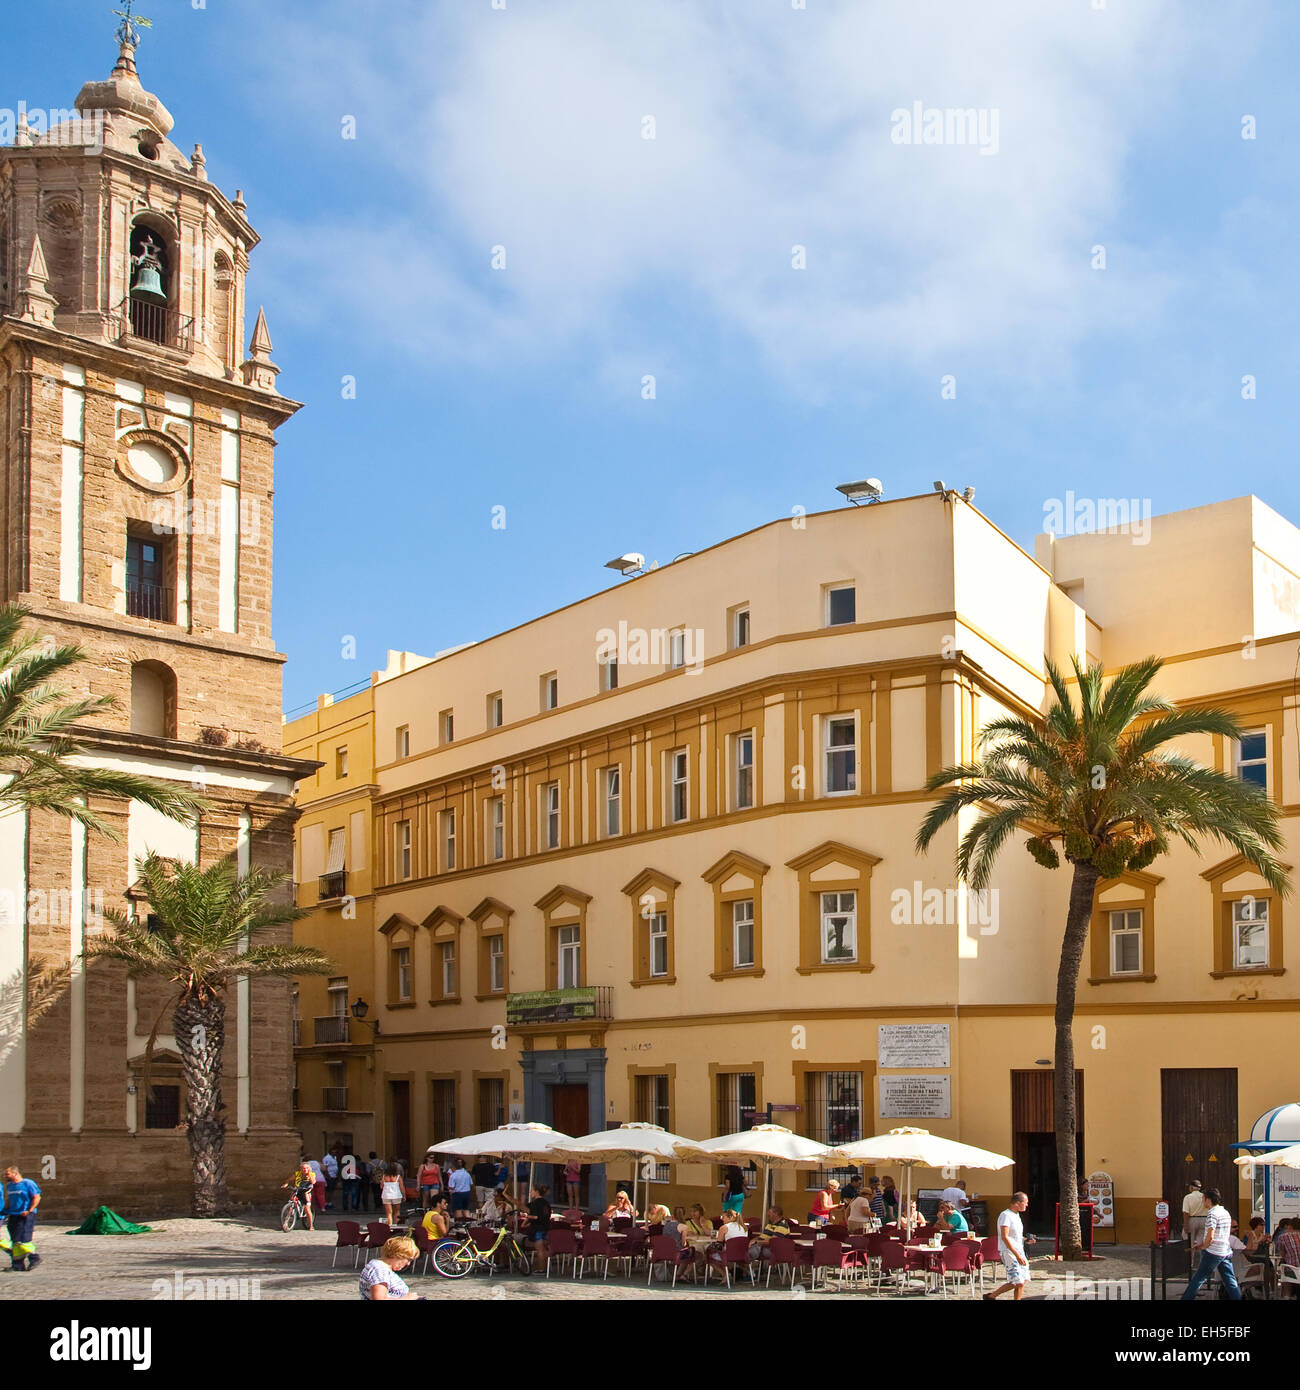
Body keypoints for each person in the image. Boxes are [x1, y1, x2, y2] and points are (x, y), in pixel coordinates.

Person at [1181, 1188, 1241, 1301]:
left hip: (1213, 1252)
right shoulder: (1225, 1212)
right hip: (1225, 1250)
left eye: (1203, 1198)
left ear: (1208, 1200)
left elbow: (1211, 1235)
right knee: (1230, 1281)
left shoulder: (1212, 1214)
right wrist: (1202, 1245)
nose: (1202, 1201)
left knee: (1198, 1279)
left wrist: (1204, 1246)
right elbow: (1221, 1234)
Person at [985, 1191, 1032, 1301]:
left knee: (1023, 1279)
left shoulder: (1017, 1215)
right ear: (1017, 1203)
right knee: (1017, 1281)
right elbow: (1005, 1237)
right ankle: (991, 1296)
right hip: (1009, 1252)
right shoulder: (1005, 1215)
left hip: (1019, 1250)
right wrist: (1017, 1255)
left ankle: (991, 1296)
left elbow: (1015, 1236)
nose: (1027, 1205)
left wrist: (1025, 1240)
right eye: (1025, 1202)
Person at [0, 1166, 41, 1271]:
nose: (5, 1176)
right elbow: (10, 1199)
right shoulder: (9, 1186)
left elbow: (36, 1197)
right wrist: (6, 1209)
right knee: (15, 1241)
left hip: (25, 1215)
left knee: (23, 1240)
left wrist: (29, 1210)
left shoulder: (28, 1183)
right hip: (13, 1214)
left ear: (15, 1174)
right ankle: (17, 1265)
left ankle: (34, 1258)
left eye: (7, 1174)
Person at [359, 1235, 422, 1301]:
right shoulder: (380, 1270)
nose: (408, 1263)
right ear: (398, 1255)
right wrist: (406, 1298)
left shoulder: (376, 1266)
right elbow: (379, 1298)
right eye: (408, 1259)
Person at [281, 1158, 317, 1232]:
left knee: (307, 1208)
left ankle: (311, 1225)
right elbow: (288, 1180)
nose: (305, 1169)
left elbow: (313, 1182)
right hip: (297, 1190)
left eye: (307, 1168)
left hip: (306, 1192)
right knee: (291, 1202)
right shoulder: (297, 1174)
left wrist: (309, 1174)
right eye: (303, 1168)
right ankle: (289, 1217)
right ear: (301, 1169)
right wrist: (286, 1184)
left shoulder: (312, 1174)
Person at [521, 1184, 552, 1270]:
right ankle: (546, 1268)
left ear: (536, 1192)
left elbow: (536, 1216)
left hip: (538, 1229)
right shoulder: (546, 1203)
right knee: (544, 1249)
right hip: (546, 1228)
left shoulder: (535, 1203)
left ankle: (542, 1269)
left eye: (532, 1190)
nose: (530, 1192)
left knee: (540, 1250)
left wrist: (528, 1217)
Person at [1182, 1179, 1206, 1244]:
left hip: (1192, 1220)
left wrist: (1186, 1225)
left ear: (1191, 1187)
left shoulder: (1188, 1197)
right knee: (1201, 1242)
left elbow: (1186, 1212)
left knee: (1189, 1241)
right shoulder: (1205, 1196)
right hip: (1204, 1220)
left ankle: (1191, 1254)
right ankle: (1200, 1253)